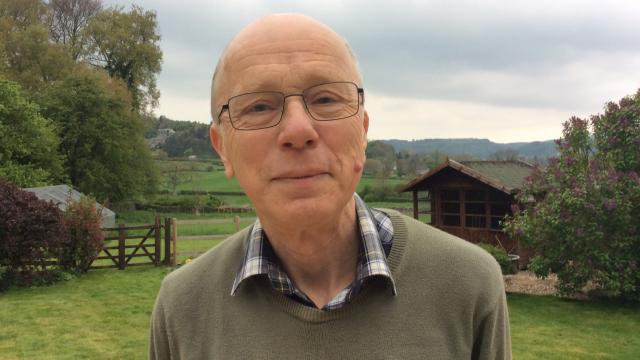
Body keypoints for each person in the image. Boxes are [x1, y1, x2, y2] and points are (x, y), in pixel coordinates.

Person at [149, 14, 511, 360]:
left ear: (363, 131)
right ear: (222, 147)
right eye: (259, 106)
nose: (298, 131)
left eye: (325, 99)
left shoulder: (469, 285)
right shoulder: (182, 307)